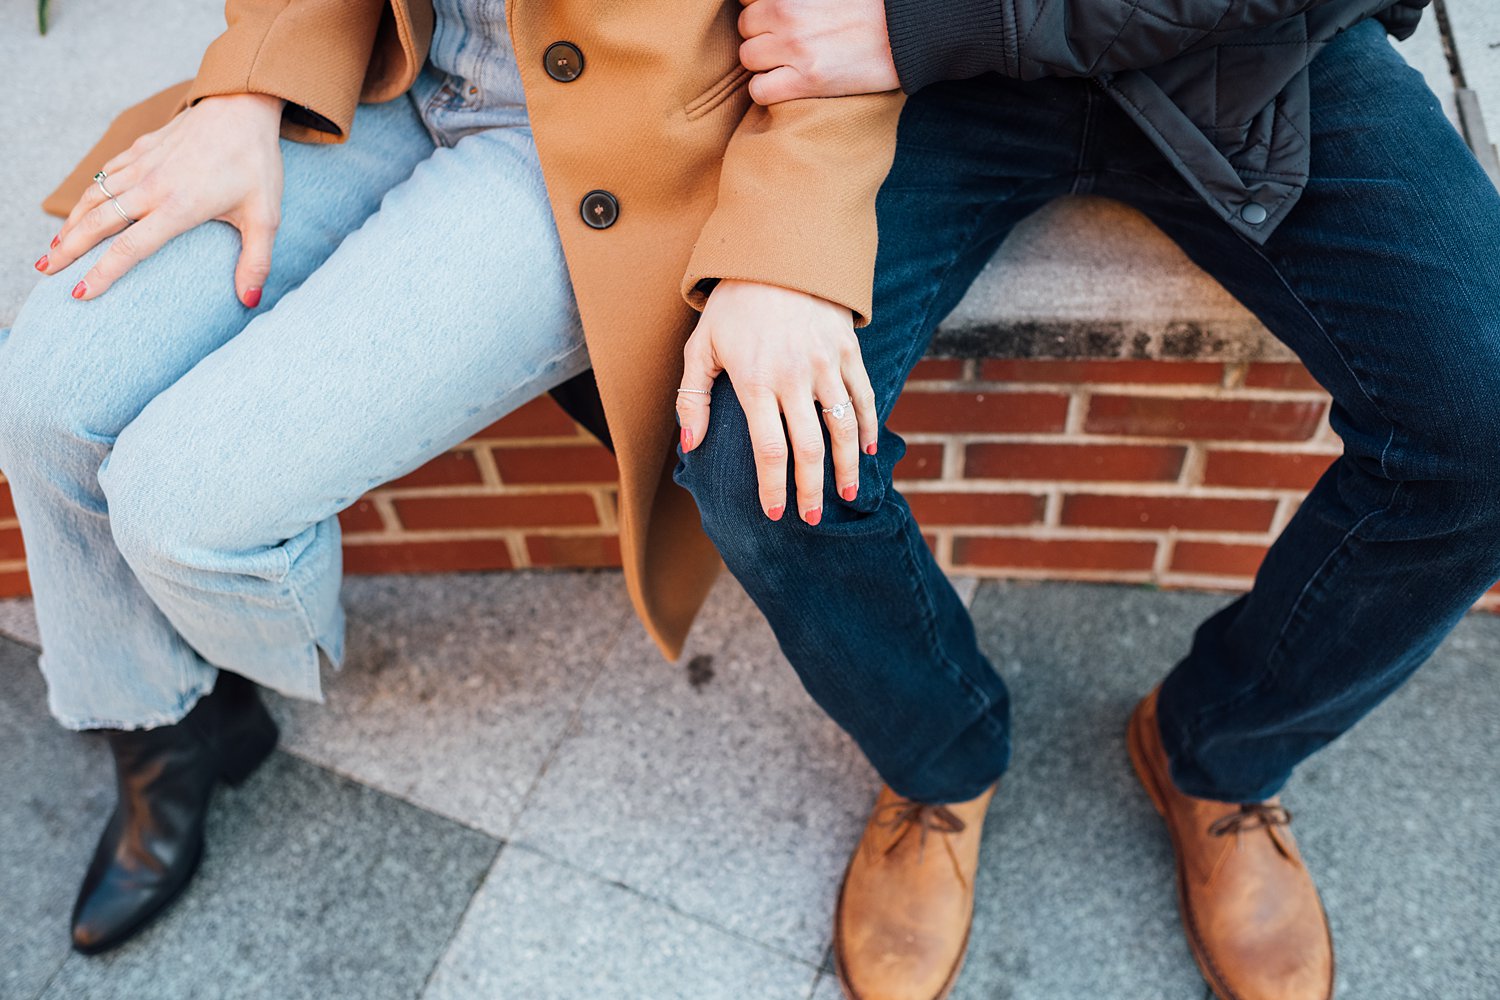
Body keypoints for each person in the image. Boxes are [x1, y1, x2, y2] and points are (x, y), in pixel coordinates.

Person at [0, 0, 904, 955]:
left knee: (186, 507)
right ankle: (161, 733)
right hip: (387, 54)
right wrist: (250, 80)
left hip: (597, 144)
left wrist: (785, 241)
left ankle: (204, 678)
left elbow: (845, 31)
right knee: (43, 399)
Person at [669, 0, 1500, 998]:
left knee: (1485, 435)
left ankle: (1219, 757)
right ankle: (940, 761)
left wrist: (949, 22)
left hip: (1246, 47)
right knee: (754, 457)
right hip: (915, 78)